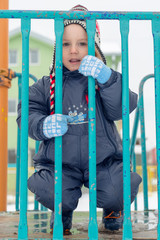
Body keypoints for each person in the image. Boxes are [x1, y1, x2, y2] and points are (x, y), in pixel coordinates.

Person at [17, 4, 142, 236]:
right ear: (57, 49)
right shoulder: (46, 85)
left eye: (82, 43)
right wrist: (43, 124)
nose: (73, 50)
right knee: (54, 190)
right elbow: (27, 113)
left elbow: (124, 106)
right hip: (61, 164)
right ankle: (62, 211)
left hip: (104, 162)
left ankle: (113, 211)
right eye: (66, 44)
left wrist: (107, 77)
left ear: (94, 48)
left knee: (119, 186)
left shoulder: (101, 80)